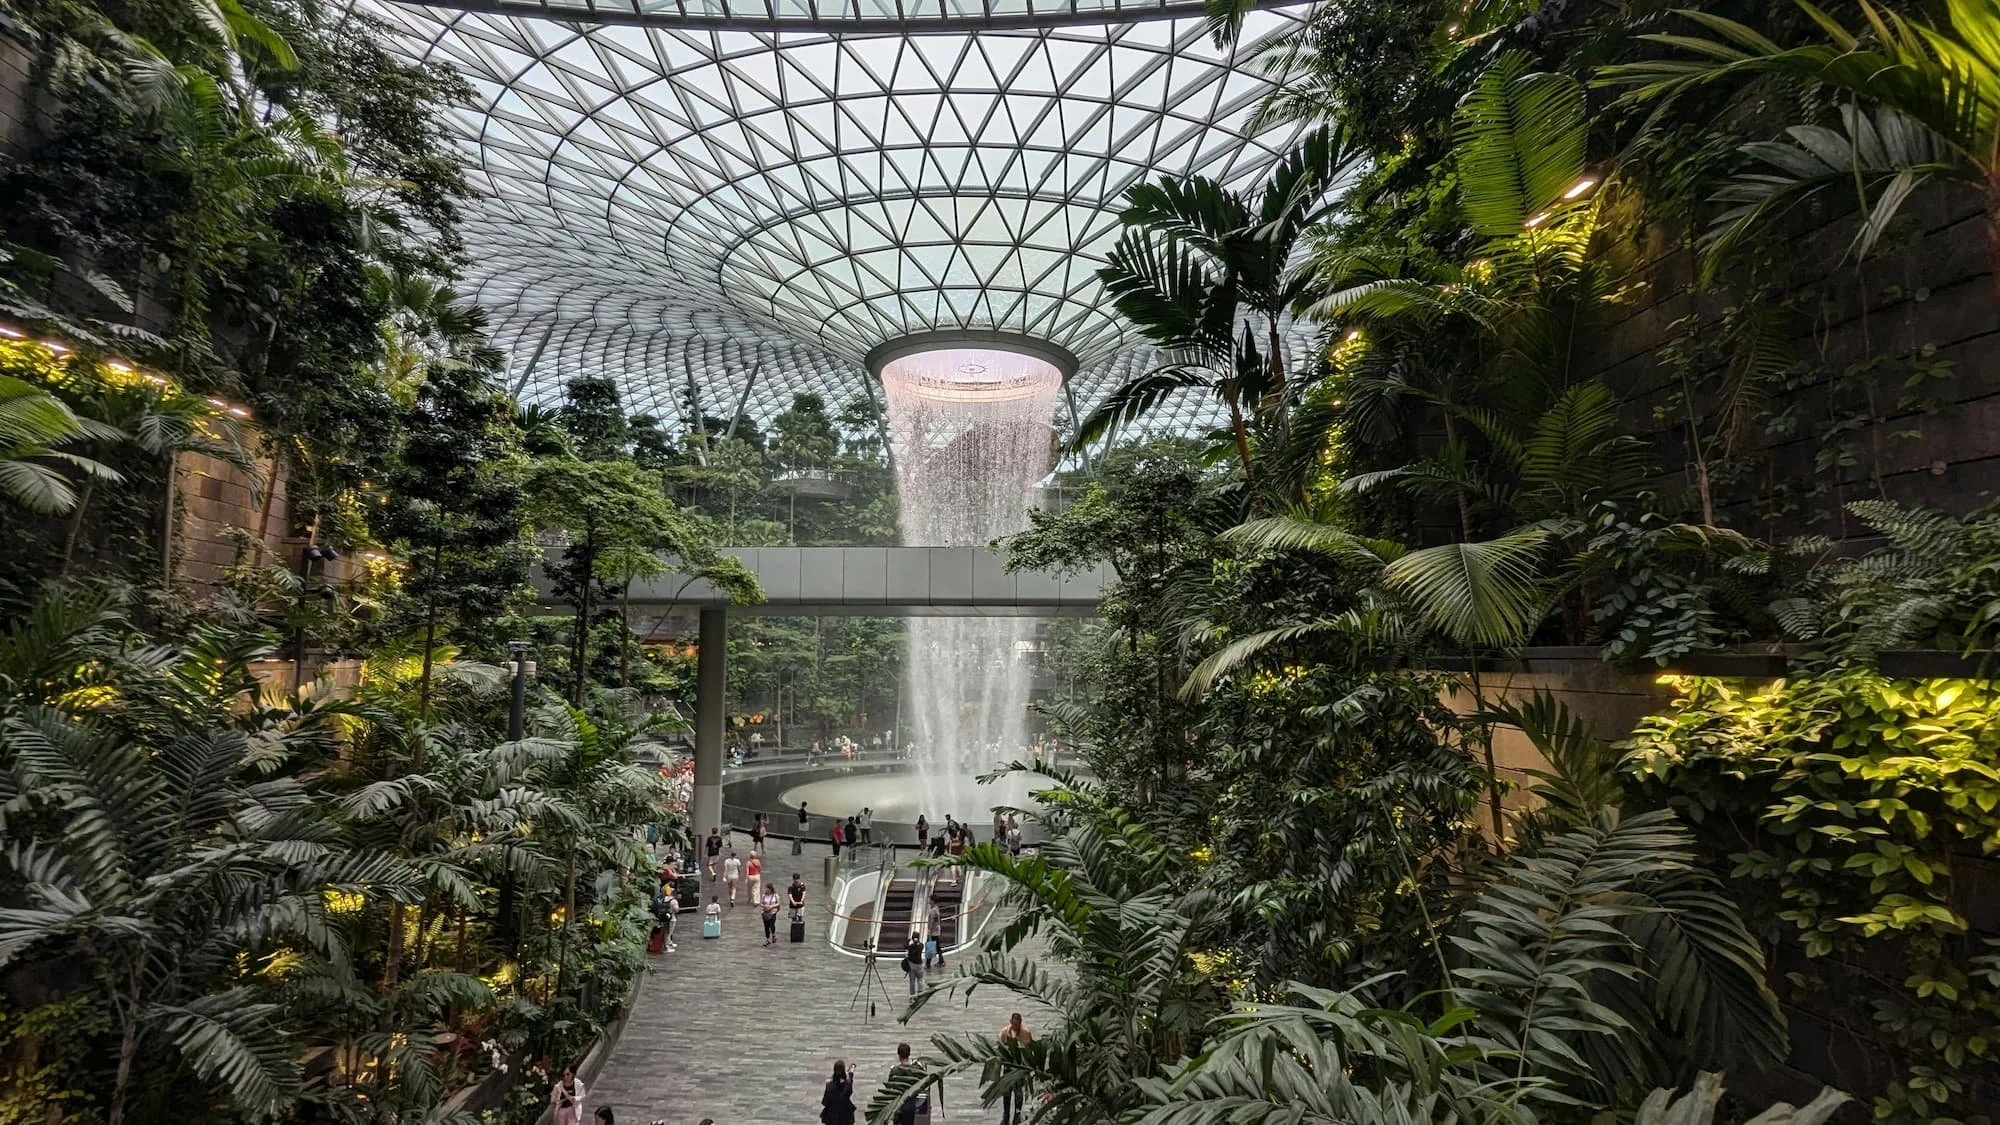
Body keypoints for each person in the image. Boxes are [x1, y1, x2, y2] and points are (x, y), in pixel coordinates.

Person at [998, 1013, 1034, 1125]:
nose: (1015, 1027)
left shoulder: (1026, 1033)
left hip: (1020, 1066)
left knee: (1018, 1093)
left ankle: (1017, 1116)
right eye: (1013, 1025)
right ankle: (1006, 1116)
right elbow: (1000, 1048)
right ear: (1010, 1022)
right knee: (1007, 1092)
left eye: (1017, 1025)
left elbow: (1030, 1048)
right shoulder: (1005, 1032)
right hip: (1009, 1065)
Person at [883, 1043, 925, 1125]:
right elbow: (924, 1080)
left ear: (899, 1055)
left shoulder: (895, 1070)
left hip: (897, 1105)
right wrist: (920, 1066)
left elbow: (889, 1088)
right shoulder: (916, 1069)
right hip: (910, 1104)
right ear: (909, 1054)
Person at [821, 1060, 856, 1125]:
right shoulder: (847, 1086)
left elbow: (825, 1102)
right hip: (846, 1117)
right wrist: (851, 1071)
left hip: (832, 1117)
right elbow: (850, 1080)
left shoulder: (829, 1086)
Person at [760, 880, 782, 945]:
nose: (766, 890)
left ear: (770, 889)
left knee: (772, 925)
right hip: (765, 912)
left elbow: (778, 903)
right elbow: (761, 903)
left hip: (773, 912)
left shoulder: (775, 895)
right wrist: (764, 906)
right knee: (766, 926)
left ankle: (773, 935)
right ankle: (767, 939)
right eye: (766, 888)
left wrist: (772, 906)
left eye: (767, 888)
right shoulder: (764, 896)